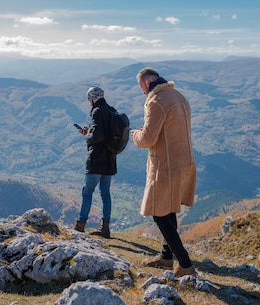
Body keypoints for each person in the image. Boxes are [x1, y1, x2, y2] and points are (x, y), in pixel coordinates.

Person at [131, 68, 197, 277]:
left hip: (166, 166)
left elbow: (148, 139)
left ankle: (185, 265)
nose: (143, 92)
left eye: (142, 87)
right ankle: (166, 258)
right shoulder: (179, 97)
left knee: (159, 214)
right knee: (169, 210)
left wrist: (136, 134)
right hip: (184, 161)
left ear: (148, 82)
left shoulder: (156, 101)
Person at [73, 86, 117, 239]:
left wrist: (87, 136)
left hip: (97, 159)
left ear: (92, 98)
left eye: (89, 99)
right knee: (105, 193)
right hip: (110, 159)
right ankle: (105, 228)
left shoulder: (97, 111)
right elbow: (104, 133)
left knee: (87, 192)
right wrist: (90, 131)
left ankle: (80, 225)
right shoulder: (111, 110)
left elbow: (97, 136)